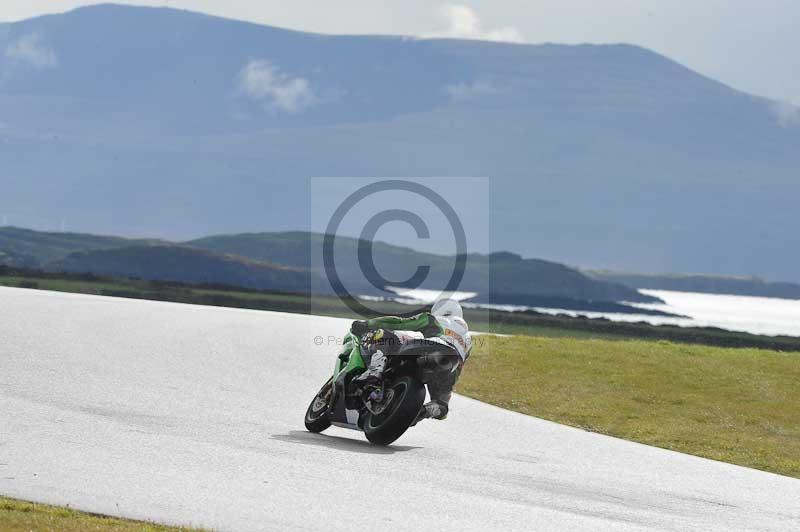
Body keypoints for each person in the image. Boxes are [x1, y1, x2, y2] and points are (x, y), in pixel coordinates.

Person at [349, 298, 472, 423]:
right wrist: (446, 387)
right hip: (449, 366)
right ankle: (425, 411)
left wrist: (368, 324)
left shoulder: (435, 319)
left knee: (383, 335)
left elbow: (400, 323)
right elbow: (459, 366)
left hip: (427, 348)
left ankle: (374, 373)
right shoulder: (468, 340)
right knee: (442, 406)